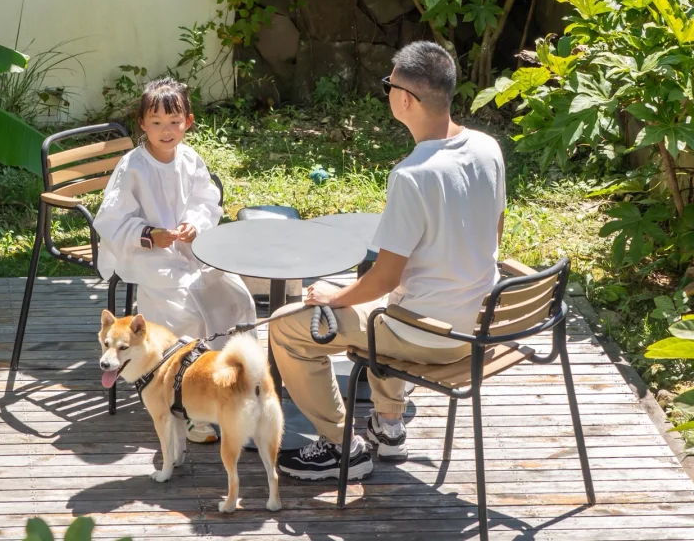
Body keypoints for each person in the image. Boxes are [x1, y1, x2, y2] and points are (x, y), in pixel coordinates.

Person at [272, 41, 506, 482]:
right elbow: (494, 231)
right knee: (387, 303)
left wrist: (332, 297)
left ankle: (340, 447)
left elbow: (383, 279)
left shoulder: (413, 175)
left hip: (427, 335)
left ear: (406, 100)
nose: (388, 93)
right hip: (477, 323)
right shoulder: (487, 147)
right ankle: (388, 425)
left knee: (287, 326)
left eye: (388, 86)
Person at [94, 77, 257, 440]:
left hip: (190, 247)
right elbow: (111, 219)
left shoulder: (190, 159)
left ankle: (234, 381)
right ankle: (190, 405)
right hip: (146, 253)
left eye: (174, 122)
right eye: (156, 122)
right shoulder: (132, 166)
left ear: (188, 122)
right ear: (142, 124)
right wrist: (148, 234)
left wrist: (194, 224)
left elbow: (206, 200)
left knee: (234, 296)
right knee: (185, 314)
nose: (165, 131)